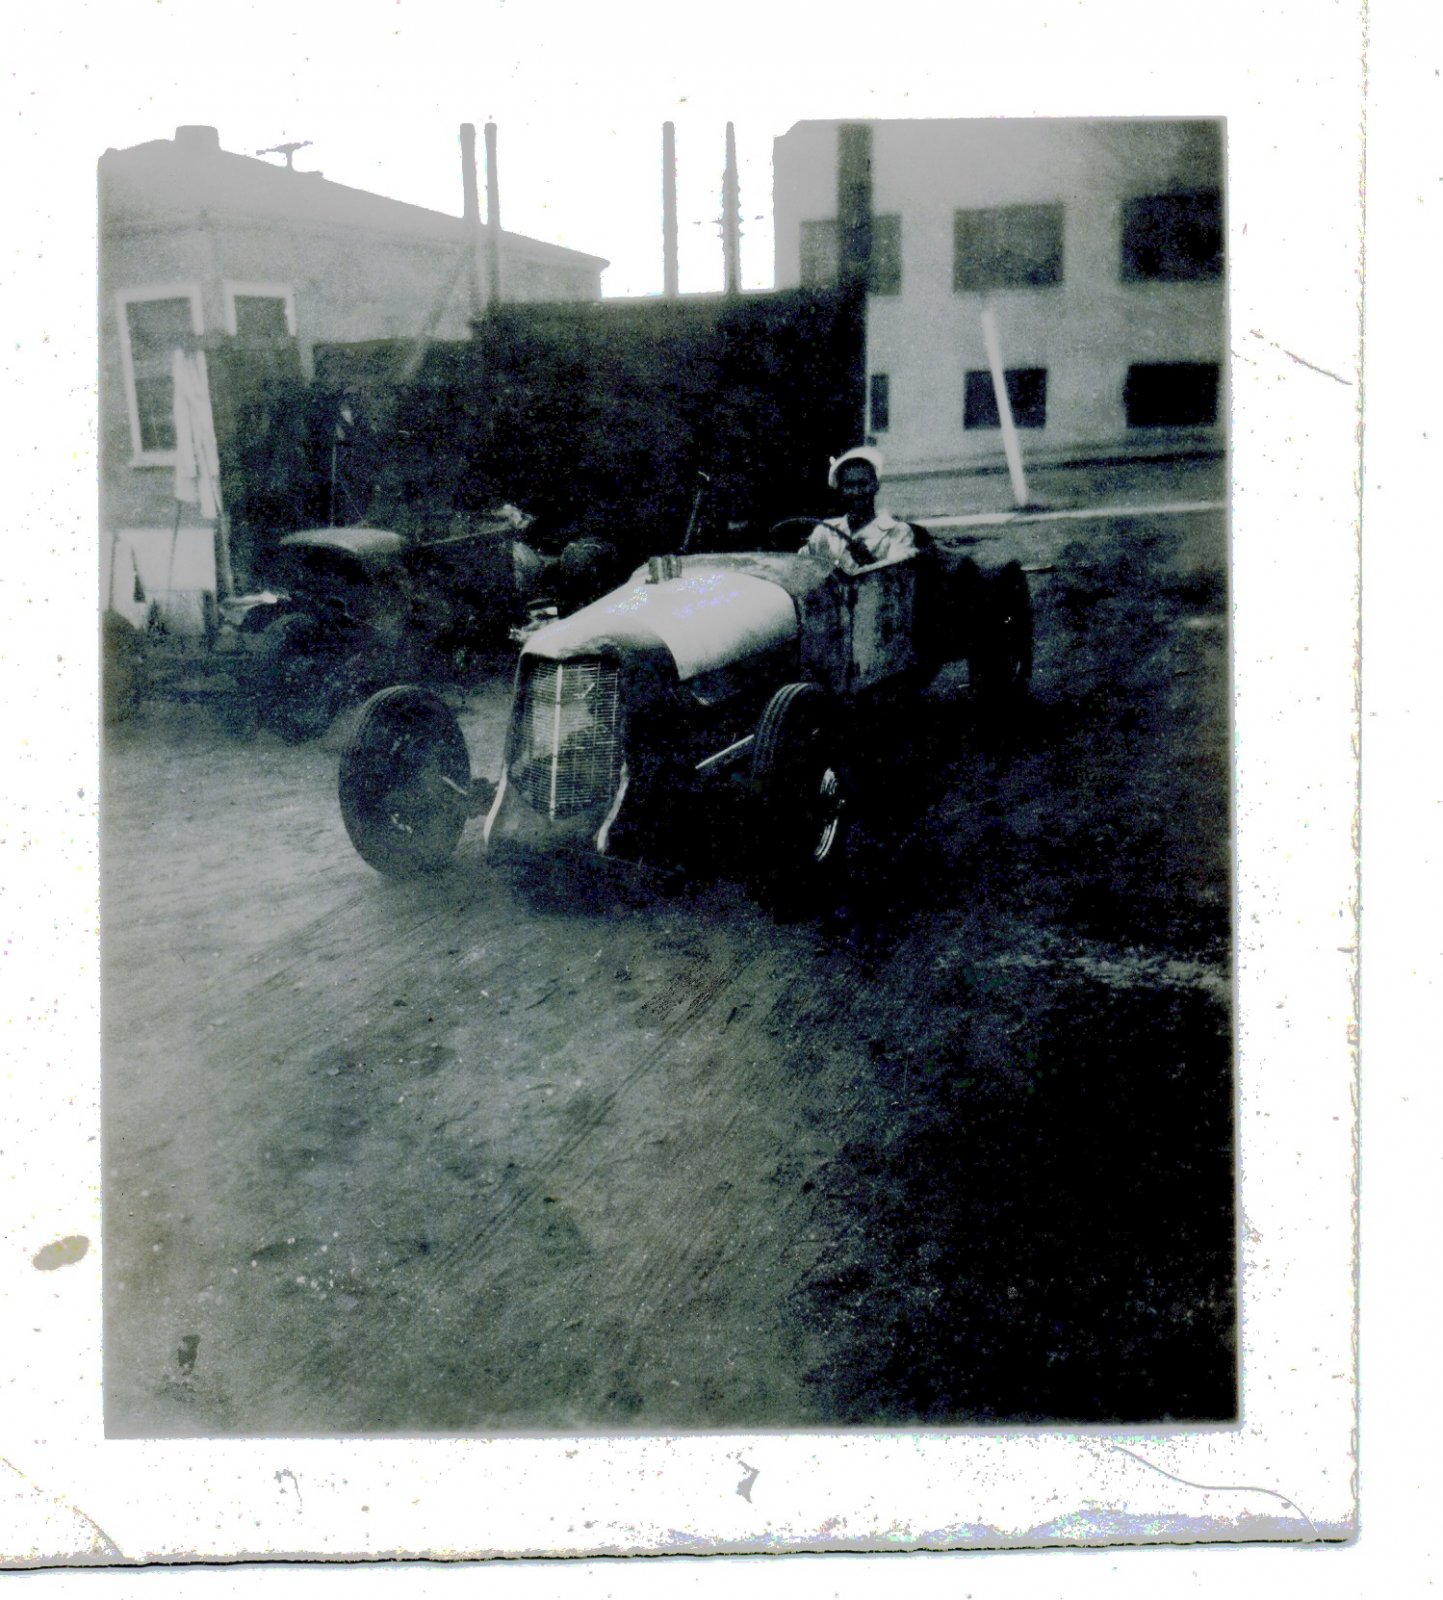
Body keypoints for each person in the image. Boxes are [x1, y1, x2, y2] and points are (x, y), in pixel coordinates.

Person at [800, 446, 917, 574]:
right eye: (849, 485)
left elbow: (899, 583)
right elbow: (800, 570)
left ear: (876, 486)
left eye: (863, 484)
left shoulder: (898, 532)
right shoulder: (824, 532)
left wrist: (869, 561)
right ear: (840, 490)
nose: (856, 492)